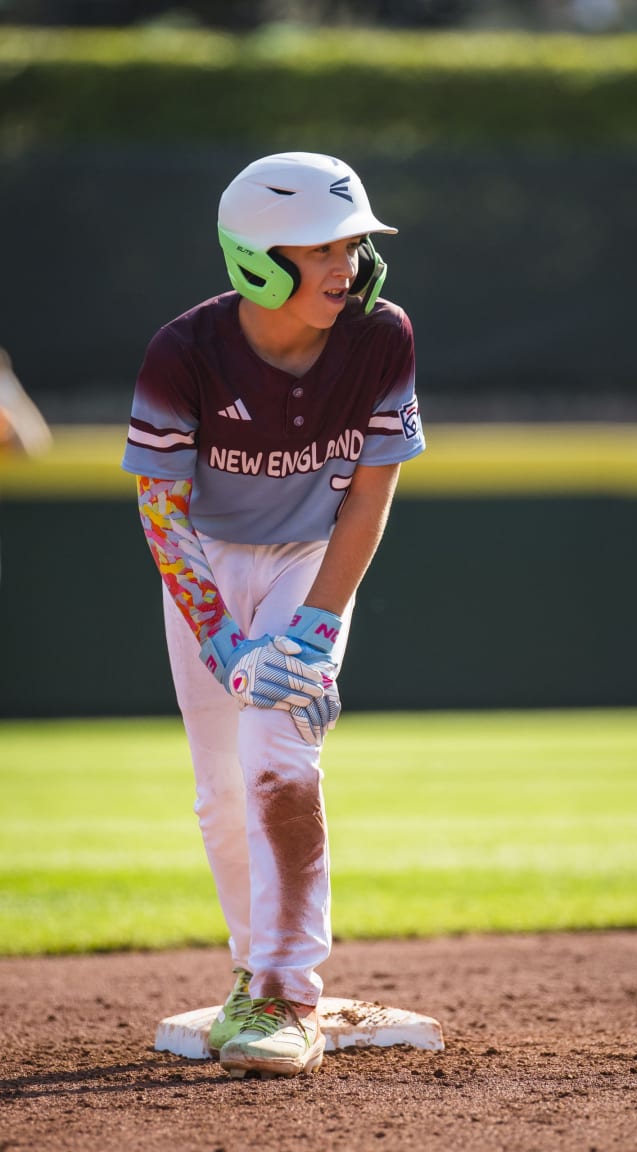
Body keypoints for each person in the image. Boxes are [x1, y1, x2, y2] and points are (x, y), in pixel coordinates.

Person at [121, 152, 425, 1079]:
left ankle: (289, 994)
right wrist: (225, 642)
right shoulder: (183, 351)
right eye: (322, 248)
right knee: (221, 790)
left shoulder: (382, 336)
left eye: (353, 245)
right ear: (257, 257)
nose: (347, 265)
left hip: (309, 564)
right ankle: (253, 974)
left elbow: (369, 495)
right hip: (205, 568)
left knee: (280, 753)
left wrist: (316, 628)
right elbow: (162, 512)